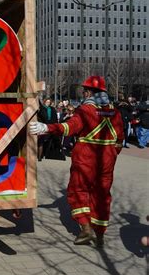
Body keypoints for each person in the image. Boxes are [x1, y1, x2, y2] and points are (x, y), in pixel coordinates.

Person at [30, 76, 124, 247]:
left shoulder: (85, 110)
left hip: (86, 158)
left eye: (84, 91)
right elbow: (119, 141)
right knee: (102, 195)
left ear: (88, 91)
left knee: (78, 191)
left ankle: (86, 228)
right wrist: (111, 154)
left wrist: (47, 128)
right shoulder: (115, 112)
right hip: (107, 159)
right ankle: (100, 234)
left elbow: (69, 127)